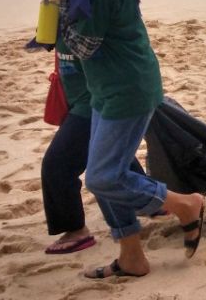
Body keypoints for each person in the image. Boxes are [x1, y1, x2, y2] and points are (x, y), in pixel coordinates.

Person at [15, 0, 206, 280]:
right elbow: (56, 41)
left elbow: (79, 46)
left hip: (128, 90)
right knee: (106, 177)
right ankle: (132, 257)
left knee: (103, 177)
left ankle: (186, 204)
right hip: (104, 89)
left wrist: (56, 4)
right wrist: (57, 0)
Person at [38, 32, 150, 256]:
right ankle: (151, 203)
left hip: (92, 103)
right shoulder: (61, 10)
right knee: (111, 159)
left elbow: (103, 44)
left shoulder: (88, 10)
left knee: (57, 166)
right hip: (81, 100)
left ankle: (76, 230)